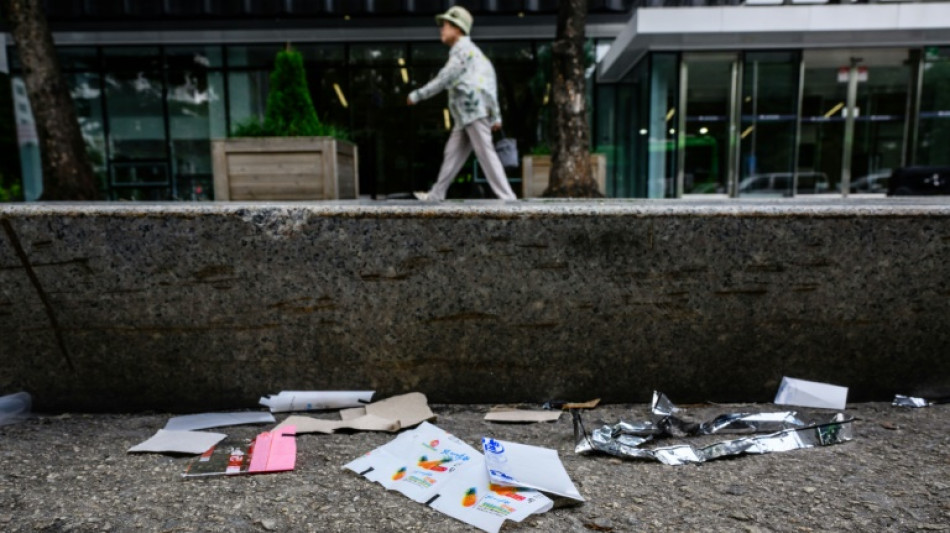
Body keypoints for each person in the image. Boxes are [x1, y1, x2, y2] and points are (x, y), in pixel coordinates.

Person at [407, 6, 517, 202]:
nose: (441, 29)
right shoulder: (474, 53)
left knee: (486, 155)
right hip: (465, 114)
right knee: (452, 154)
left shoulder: (463, 52)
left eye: (446, 25)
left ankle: (507, 198)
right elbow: (490, 83)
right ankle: (436, 194)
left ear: (458, 29)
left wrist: (418, 95)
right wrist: (496, 114)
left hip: (473, 111)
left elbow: (444, 79)